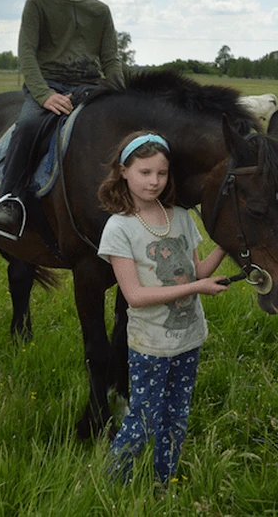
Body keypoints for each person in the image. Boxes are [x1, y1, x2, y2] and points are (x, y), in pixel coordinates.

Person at [97, 132, 230, 485]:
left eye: (162, 173)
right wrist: (198, 288)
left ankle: (164, 482)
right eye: (144, 172)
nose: (154, 181)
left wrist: (226, 246)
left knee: (176, 417)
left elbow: (197, 271)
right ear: (123, 171)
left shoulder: (181, 217)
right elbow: (135, 295)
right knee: (143, 419)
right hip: (150, 345)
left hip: (189, 338)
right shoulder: (119, 228)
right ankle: (114, 483)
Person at [0, 0, 124, 240]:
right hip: (49, 85)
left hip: (90, 86)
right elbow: (27, 54)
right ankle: (11, 200)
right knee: (30, 126)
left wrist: (118, 89)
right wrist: (44, 95)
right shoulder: (38, 3)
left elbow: (111, 58)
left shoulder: (100, 11)